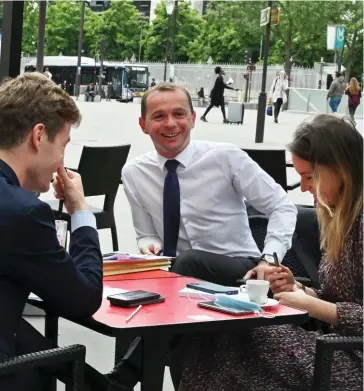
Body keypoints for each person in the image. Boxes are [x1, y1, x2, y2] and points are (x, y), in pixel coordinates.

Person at [173, 114, 363, 391]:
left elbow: (339, 308)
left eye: (309, 176)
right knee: (214, 333)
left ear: (341, 169)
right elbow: (344, 297)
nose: (305, 187)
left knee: (234, 338)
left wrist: (315, 306)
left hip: (349, 358)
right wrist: (300, 289)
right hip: (335, 347)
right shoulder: (342, 220)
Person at [0, 73, 133, 391]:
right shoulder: (24, 212)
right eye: (63, 145)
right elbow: (84, 298)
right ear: (38, 136)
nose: (62, 161)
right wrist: (80, 211)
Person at [122, 82, 297, 286]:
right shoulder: (134, 173)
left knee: (189, 261)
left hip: (238, 270)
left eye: (179, 114)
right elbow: (146, 235)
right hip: (177, 270)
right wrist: (149, 245)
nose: (170, 123)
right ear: (143, 125)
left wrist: (269, 260)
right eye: (159, 116)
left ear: (193, 119)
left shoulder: (226, 158)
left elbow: (282, 206)